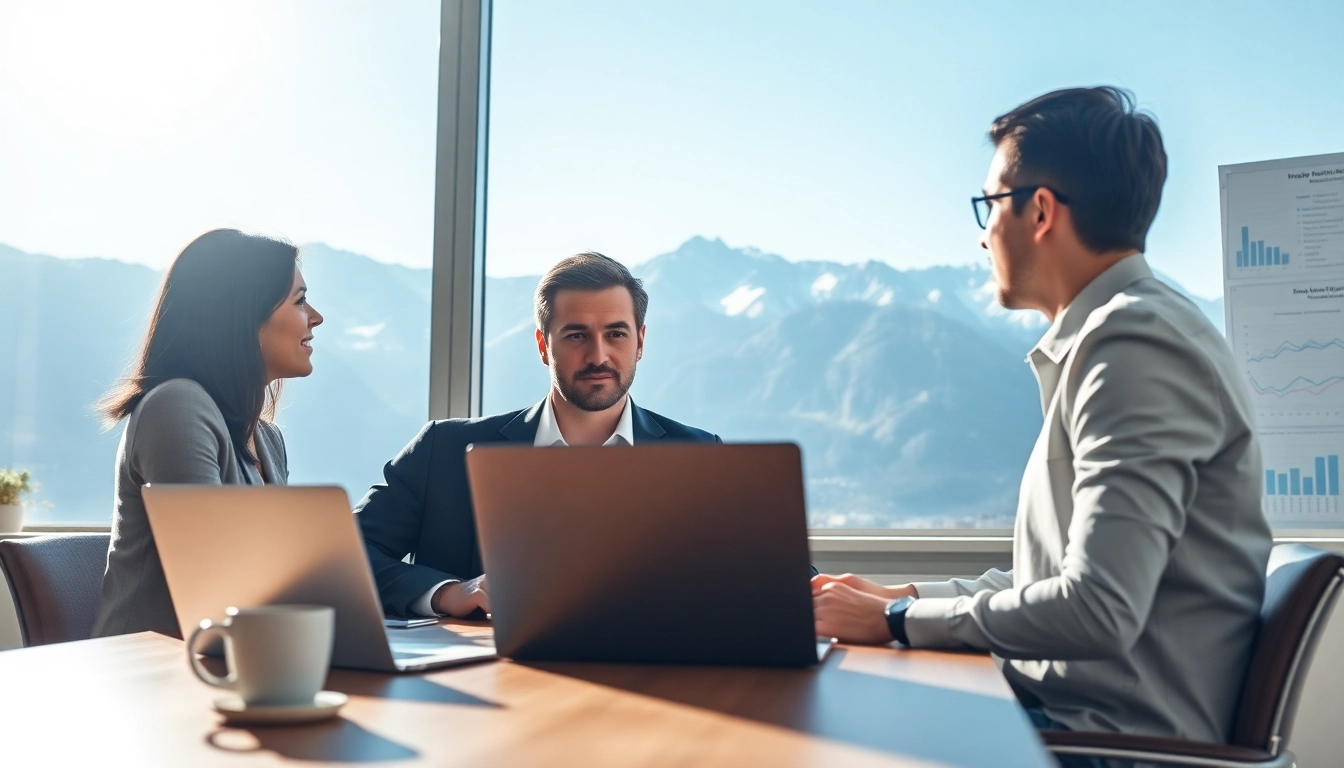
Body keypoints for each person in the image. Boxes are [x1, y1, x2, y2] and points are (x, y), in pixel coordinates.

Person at [813, 87, 1273, 744]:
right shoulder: (1122, 334)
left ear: (1040, 211)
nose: (983, 236)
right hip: (1064, 716)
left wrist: (894, 622)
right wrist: (902, 598)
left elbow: (1098, 607)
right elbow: (1052, 578)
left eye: (990, 205)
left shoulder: (1136, 345)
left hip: (1102, 743)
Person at [356, 252, 720, 619]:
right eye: (576, 335)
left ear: (640, 342)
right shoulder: (443, 450)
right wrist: (448, 593)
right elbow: (348, 551)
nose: (598, 355)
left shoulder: (703, 459)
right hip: (482, 658)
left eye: (616, 334)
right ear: (544, 346)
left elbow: (733, 585)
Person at [92, 229, 323, 638]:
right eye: (300, 300)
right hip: (157, 666)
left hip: (236, 655)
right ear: (243, 315)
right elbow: (212, 579)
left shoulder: (268, 439)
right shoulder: (176, 405)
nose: (315, 317)